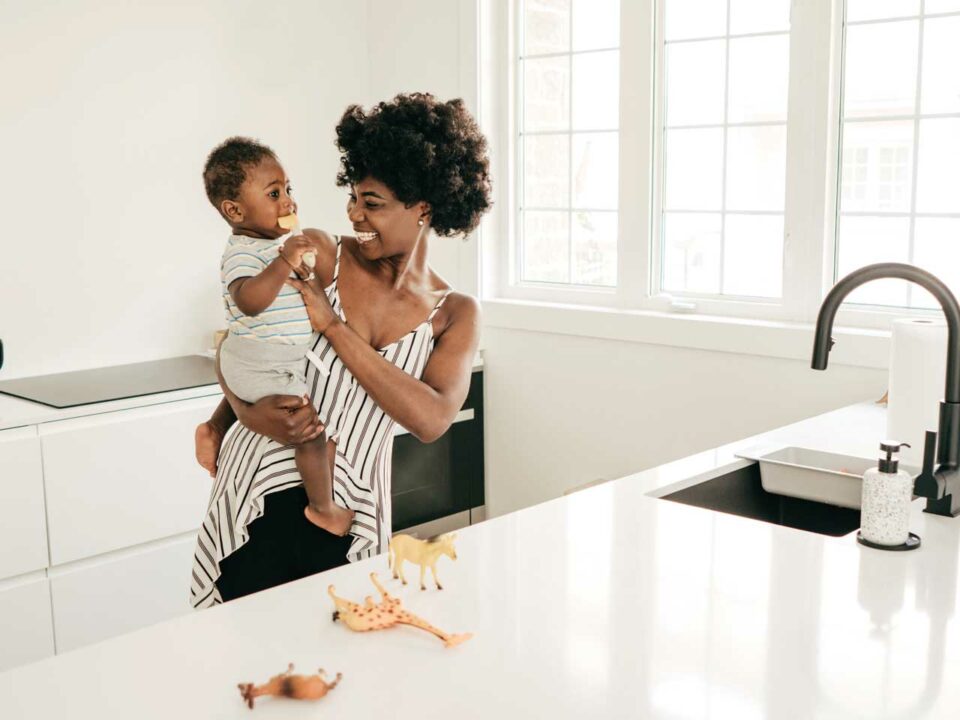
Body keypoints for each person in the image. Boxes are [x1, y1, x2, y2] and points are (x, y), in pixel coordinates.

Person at [190, 93, 492, 608]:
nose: (353, 213)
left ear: (423, 207)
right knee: (240, 668)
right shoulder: (320, 254)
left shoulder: (454, 313)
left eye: (371, 202)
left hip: (349, 517)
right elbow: (247, 342)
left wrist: (331, 325)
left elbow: (432, 418)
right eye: (352, 197)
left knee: (341, 667)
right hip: (258, 491)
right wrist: (232, 416)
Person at [200, 137, 354, 538]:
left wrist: (295, 266)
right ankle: (323, 508)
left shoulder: (272, 248)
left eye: (288, 190)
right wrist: (285, 261)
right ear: (234, 210)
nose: (288, 201)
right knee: (308, 430)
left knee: (311, 432)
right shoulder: (243, 252)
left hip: (267, 358)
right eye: (274, 193)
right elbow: (248, 301)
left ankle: (215, 428)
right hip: (262, 362)